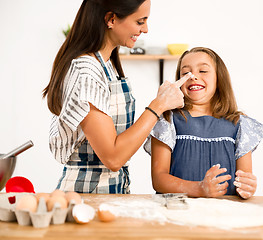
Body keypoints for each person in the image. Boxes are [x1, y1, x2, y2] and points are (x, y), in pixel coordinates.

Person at [42, 0, 192, 193]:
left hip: (111, 190)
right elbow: (113, 157)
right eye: (140, 21)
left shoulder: (108, 65)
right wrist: (158, 105)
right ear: (111, 19)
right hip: (87, 194)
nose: (145, 29)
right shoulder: (87, 72)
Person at [144, 47, 263, 199]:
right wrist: (199, 189)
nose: (193, 76)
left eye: (203, 71)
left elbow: (243, 181)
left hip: (222, 217)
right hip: (177, 213)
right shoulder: (167, 120)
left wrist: (247, 187)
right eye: (185, 73)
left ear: (219, 78)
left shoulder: (240, 125)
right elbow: (159, 180)